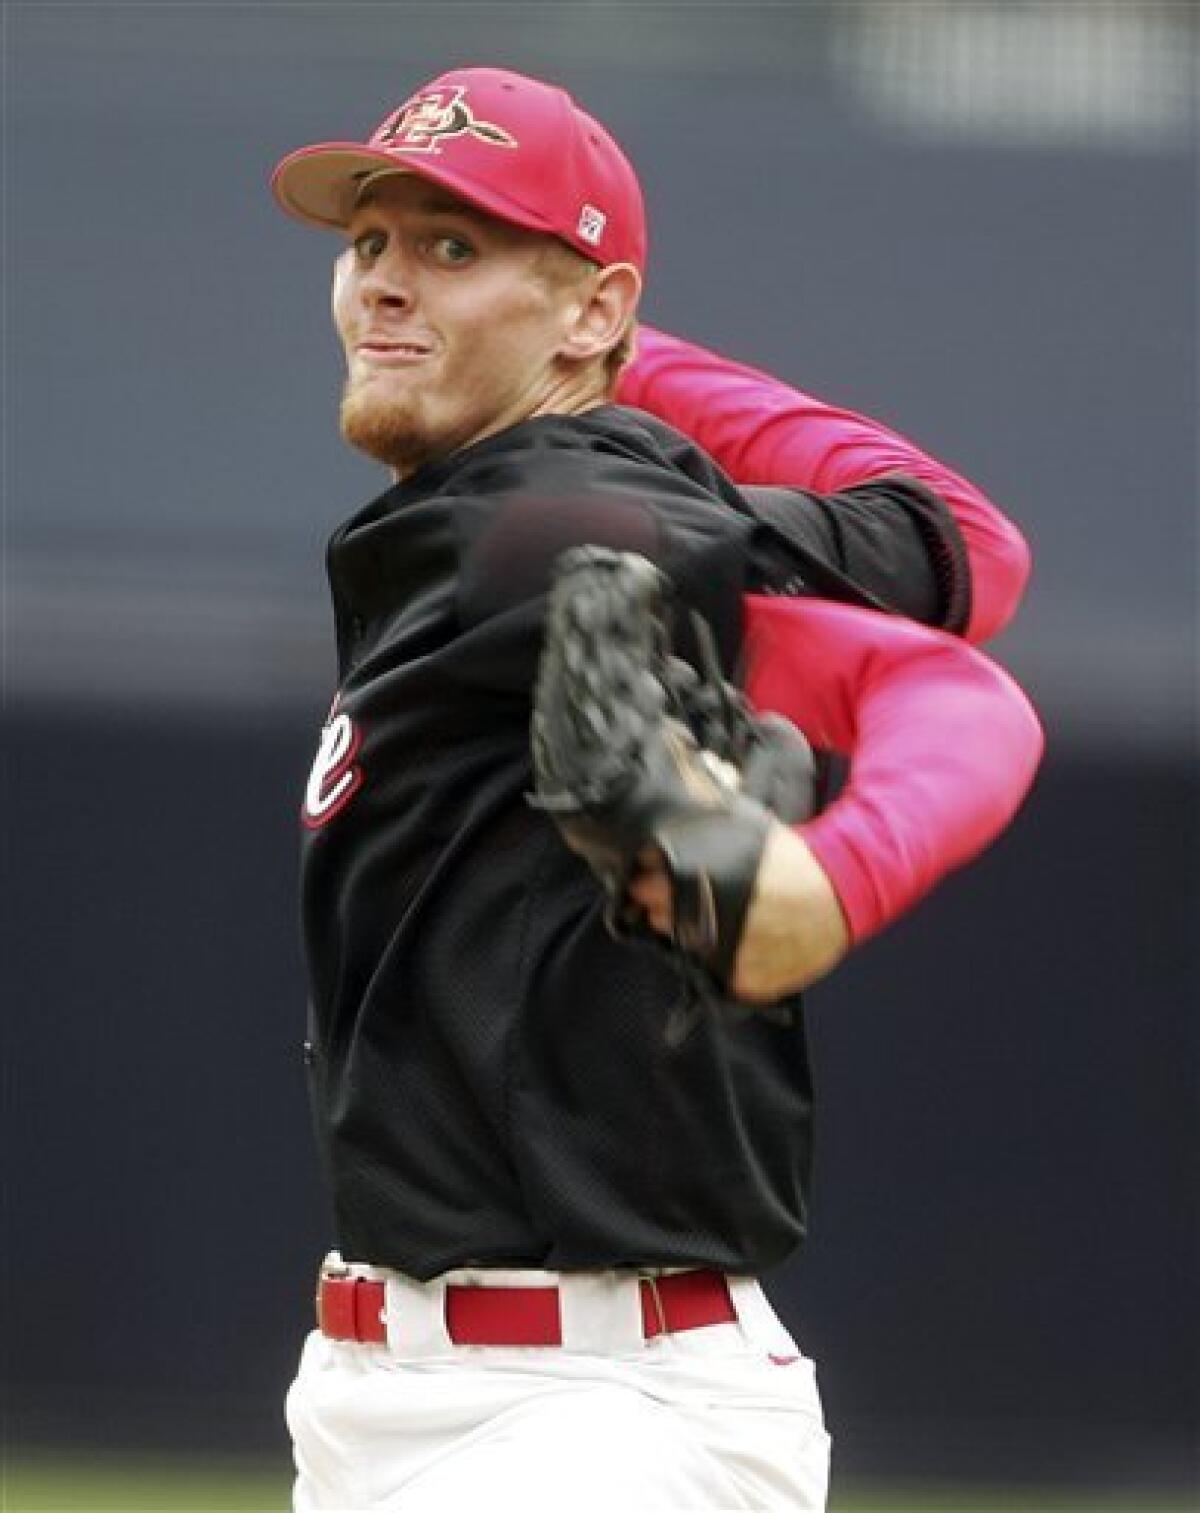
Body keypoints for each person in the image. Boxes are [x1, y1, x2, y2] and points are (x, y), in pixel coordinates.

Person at [271, 65, 1042, 1511]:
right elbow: (953, 537)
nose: (381, 282)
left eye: (453, 245)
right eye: (369, 241)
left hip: (576, 1421)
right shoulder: (514, 508)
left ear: (593, 310)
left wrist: (824, 882)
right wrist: (568, 329)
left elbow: (958, 691)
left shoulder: (559, 526)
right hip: (429, 1398)